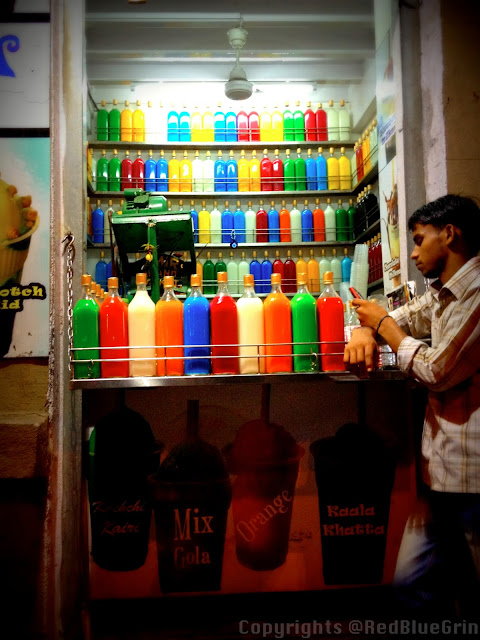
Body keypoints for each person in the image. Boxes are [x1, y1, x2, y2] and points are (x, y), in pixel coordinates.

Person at [344, 194, 480, 619]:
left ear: (450, 233)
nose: (415, 252)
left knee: (471, 591)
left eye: (420, 240)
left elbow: (437, 371)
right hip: (441, 473)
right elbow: (397, 317)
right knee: (412, 583)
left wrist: (380, 325)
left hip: (473, 476)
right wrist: (367, 331)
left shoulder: (476, 294)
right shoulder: (442, 294)